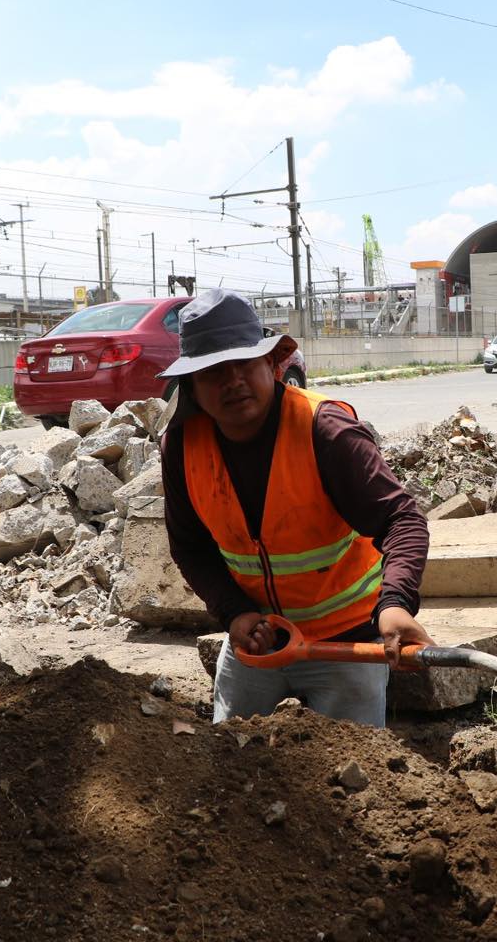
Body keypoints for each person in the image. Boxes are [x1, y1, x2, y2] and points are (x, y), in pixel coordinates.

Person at [159, 289, 433, 728]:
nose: (232, 381)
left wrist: (395, 605)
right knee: (228, 768)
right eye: (213, 372)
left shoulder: (324, 430)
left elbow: (402, 521)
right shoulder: (182, 446)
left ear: (273, 364)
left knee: (355, 776)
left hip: (347, 640)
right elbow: (189, 546)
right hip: (258, 641)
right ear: (190, 384)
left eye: (244, 364)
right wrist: (234, 612)